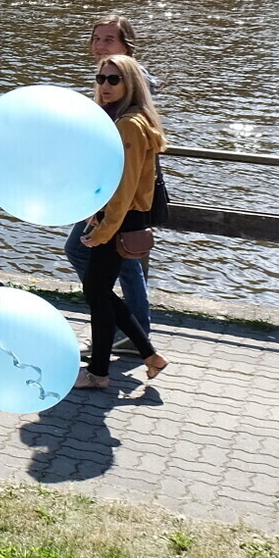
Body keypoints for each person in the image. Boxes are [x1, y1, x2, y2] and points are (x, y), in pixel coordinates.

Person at [76, 54, 171, 390]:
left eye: (114, 79)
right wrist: (96, 211)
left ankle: (98, 372)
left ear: (130, 83)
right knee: (99, 292)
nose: (105, 86)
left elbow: (125, 186)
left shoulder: (129, 124)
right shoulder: (124, 118)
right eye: (101, 78)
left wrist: (103, 229)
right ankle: (149, 354)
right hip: (120, 217)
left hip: (122, 220)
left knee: (97, 294)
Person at [71, 14, 151, 339]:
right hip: (105, 190)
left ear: (126, 46)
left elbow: (133, 144)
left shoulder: (133, 83)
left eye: (109, 39)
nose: (100, 45)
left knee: (99, 255)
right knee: (122, 261)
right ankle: (130, 332)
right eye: (96, 38)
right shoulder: (106, 80)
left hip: (123, 191)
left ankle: (130, 331)